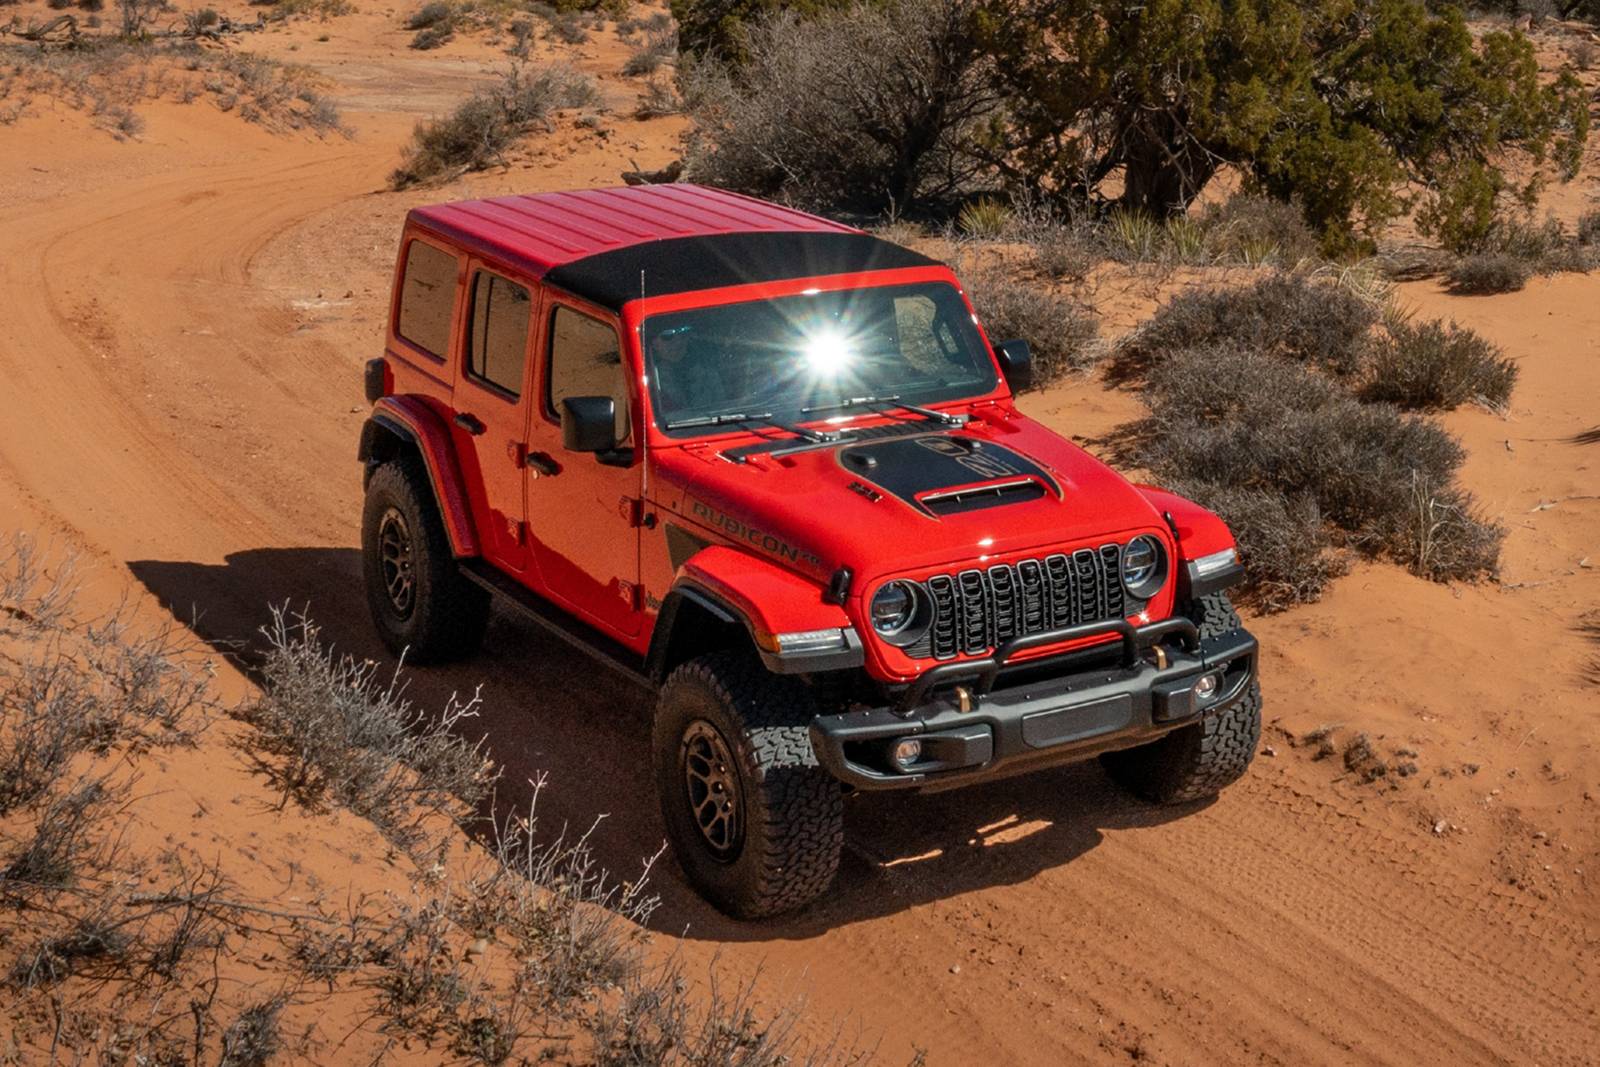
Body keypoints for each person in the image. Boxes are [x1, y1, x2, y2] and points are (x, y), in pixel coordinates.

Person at [651, 324, 728, 419]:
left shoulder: (708, 371)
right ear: (654, 343)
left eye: (683, 334)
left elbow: (723, 408)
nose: (678, 341)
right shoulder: (647, 379)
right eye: (668, 335)